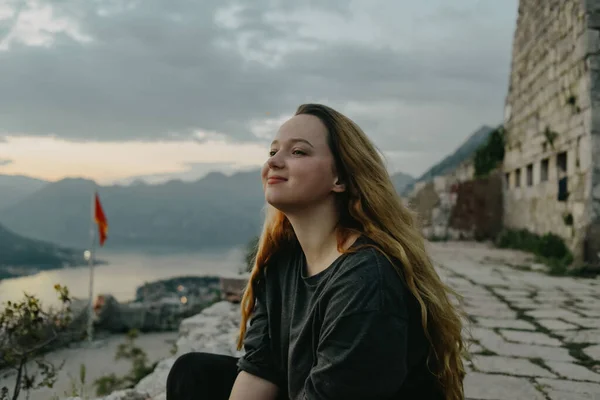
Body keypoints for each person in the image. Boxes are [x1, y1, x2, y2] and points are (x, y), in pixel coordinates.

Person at [166, 104, 467, 400]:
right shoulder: (282, 262)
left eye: (298, 152)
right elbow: (262, 369)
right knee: (193, 373)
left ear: (341, 178)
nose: (273, 162)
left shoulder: (365, 279)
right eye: (272, 152)